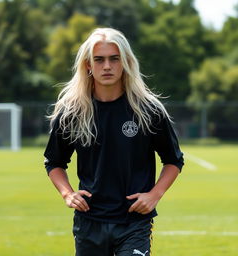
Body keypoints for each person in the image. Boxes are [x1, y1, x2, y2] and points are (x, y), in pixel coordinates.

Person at [44, 27, 184, 256]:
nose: (107, 66)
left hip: (134, 222)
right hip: (89, 222)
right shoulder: (73, 112)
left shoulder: (148, 110)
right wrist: (68, 194)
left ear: (125, 62)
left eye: (114, 59)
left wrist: (155, 194)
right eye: (99, 60)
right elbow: (54, 162)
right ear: (88, 65)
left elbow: (173, 160)